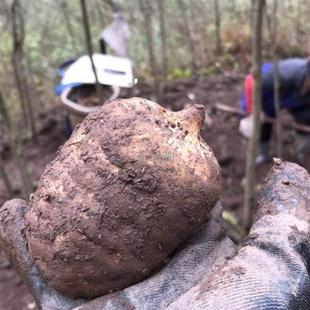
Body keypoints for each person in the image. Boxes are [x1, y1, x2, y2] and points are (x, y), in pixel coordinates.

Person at [239, 58, 310, 165]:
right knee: (264, 124)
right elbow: (251, 80)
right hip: (268, 96)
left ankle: (304, 155)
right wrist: (252, 109)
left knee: (306, 117)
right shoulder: (287, 73)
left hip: (297, 100)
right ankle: (262, 154)